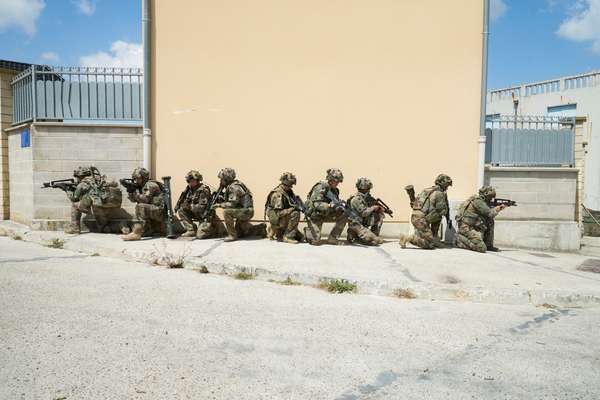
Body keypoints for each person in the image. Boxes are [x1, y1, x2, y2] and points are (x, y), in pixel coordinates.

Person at [64, 166, 127, 234]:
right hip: (109, 206)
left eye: (77, 177)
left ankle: (75, 228)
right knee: (103, 228)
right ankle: (121, 226)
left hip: (97, 208)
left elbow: (74, 198)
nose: (77, 179)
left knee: (75, 205)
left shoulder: (83, 184)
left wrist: (68, 190)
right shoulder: (99, 181)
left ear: (80, 176)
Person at [212, 168, 267, 242]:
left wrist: (219, 205)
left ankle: (232, 235)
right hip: (244, 210)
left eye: (222, 179)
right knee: (240, 233)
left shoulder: (233, 187)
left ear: (226, 179)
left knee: (226, 212)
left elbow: (232, 204)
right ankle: (260, 229)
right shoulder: (234, 184)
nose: (220, 181)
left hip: (246, 211)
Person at [399, 174, 452, 249]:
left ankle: (434, 238)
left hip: (415, 217)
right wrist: (447, 217)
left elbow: (415, 204)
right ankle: (408, 238)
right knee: (429, 244)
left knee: (438, 216)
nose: (447, 187)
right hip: (421, 220)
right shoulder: (439, 193)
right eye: (447, 185)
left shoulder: (427, 190)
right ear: (442, 183)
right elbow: (442, 210)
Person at [175, 170, 226, 239]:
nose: (191, 182)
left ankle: (216, 229)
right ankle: (191, 230)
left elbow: (202, 208)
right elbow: (187, 201)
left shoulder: (203, 190)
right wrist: (183, 205)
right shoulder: (189, 190)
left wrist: (189, 206)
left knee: (200, 235)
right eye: (189, 181)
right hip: (196, 213)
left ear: (198, 180)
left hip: (205, 215)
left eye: (193, 180)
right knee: (181, 210)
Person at [304, 168, 348, 246]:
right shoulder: (320, 187)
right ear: (330, 180)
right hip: (315, 215)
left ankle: (332, 238)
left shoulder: (335, 190)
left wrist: (340, 205)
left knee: (344, 214)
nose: (337, 183)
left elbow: (334, 202)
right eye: (336, 181)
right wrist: (329, 205)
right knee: (315, 242)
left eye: (338, 182)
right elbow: (317, 204)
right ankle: (308, 231)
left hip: (326, 213)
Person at [455, 186, 506, 252]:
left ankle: (489, 245)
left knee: (490, 221)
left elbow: (488, 216)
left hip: (474, 226)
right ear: (485, 195)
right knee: (481, 248)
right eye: (490, 197)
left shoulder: (481, 201)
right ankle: (459, 240)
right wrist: (500, 207)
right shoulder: (478, 201)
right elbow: (490, 213)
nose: (491, 199)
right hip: (466, 228)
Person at [122, 167, 166, 241]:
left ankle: (136, 233)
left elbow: (145, 200)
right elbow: (133, 200)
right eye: (135, 178)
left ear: (144, 177)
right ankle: (147, 230)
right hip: (154, 211)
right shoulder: (141, 187)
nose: (136, 181)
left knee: (141, 207)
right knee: (138, 206)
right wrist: (130, 192)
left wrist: (135, 193)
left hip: (160, 212)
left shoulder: (150, 185)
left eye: (137, 178)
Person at [265, 172, 304, 244]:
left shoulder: (288, 191)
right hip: (277, 219)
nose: (291, 186)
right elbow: (278, 213)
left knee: (301, 238)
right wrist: (293, 209)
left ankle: (278, 231)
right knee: (295, 213)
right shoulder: (277, 194)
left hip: (283, 217)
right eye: (290, 185)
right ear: (285, 183)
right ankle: (287, 236)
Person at [346, 178, 385, 246]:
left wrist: (379, 209)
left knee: (380, 215)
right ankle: (353, 235)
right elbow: (364, 213)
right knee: (375, 241)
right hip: (356, 224)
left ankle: (372, 235)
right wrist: (373, 207)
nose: (369, 191)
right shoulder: (356, 199)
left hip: (362, 222)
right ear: (365, 189)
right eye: (368, 189)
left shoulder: (365, 197)